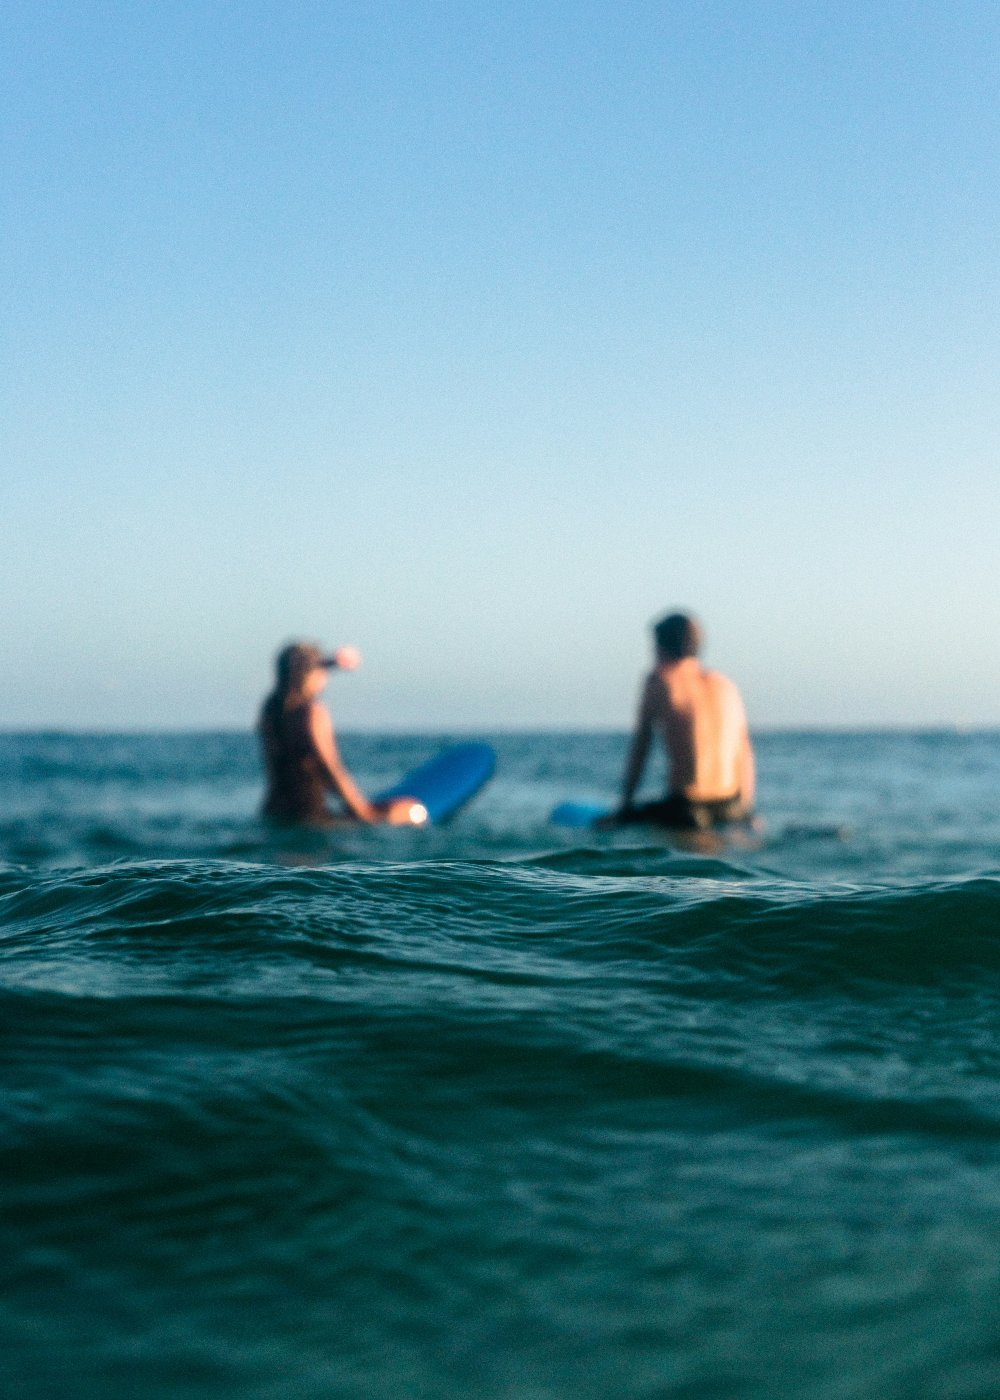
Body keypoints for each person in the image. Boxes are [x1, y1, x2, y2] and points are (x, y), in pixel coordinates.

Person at [609, 612, 755, 830]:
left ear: (660, 647)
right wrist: (746, 812)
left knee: (604, 825)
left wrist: (624, 805)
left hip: (687, 809)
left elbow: (642, 745)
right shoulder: (725, 685)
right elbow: (744, 753)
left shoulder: (661, 680)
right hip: (731, 807)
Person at [259, 642, 424, 826]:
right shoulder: (312, 713)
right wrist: (364, 812)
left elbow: (300, 667)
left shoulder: (271, 710)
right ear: (309, 675)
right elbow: (329, 768)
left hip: (273, 813)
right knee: (411, 810)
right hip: (311, 817)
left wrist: (334, 662)